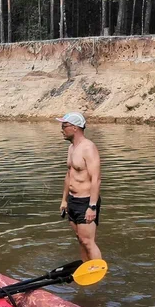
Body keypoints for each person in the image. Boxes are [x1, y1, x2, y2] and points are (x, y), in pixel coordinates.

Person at [57, 112, 102, 262]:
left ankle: (98, 274)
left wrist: (92, 206)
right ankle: (85, 269)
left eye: (64, 126)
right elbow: (69, 174)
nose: (61, 129)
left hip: (86, 201)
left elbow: (96, 179)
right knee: (80, 239)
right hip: (72, 200)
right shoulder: (71, 148)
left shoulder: (88, 148)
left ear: (75, 128)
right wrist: (64, 200)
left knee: (88, 241)